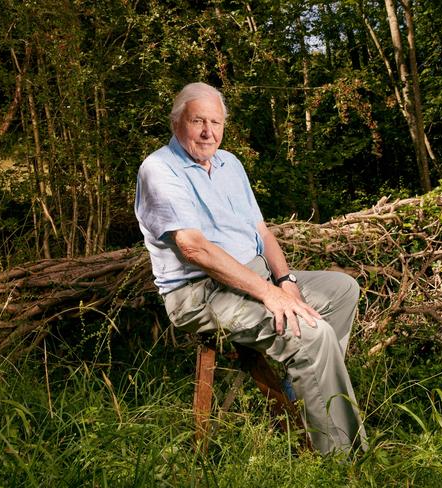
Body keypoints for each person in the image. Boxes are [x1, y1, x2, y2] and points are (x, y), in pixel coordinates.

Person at [134, 82, 367, 455]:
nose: (209, 132)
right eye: (198, 121)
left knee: (342, 291)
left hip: (254, 277)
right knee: (314, 335)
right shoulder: (159, 169)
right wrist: (269, 293)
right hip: (200, 292)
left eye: (216, 122)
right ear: (177, 122)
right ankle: (342, 457)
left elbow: (262, 232)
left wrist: (285, 281)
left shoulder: (230, 164)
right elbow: (194, 248)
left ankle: (303, 386)